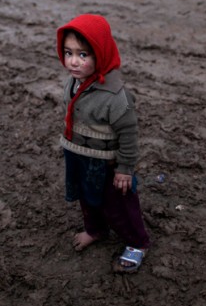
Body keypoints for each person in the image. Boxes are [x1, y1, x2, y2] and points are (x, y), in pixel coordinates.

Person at [56, 14, 150, 274]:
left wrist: (124, 168)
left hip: (107, 163)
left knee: (118, 205)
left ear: (100, 54)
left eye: (83, 54)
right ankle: (95, 230)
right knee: (87, 197)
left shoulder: (116, 97)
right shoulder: (75, 82)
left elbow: (129, 134)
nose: (73, 61)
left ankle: (137, 242)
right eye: (68, 52)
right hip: (79, 155)